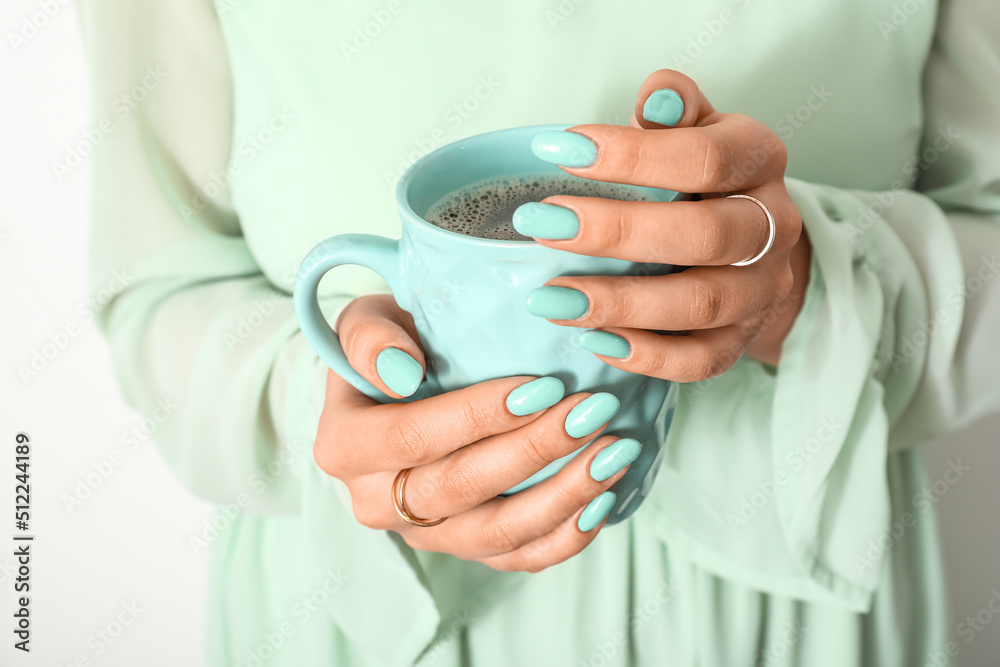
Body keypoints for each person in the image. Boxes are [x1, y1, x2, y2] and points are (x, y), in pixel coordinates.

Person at [80, 0, 1000, 665]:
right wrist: (331, 418)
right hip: (371, 609)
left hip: (804, 593)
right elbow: (159, 282)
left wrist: (804, 284)